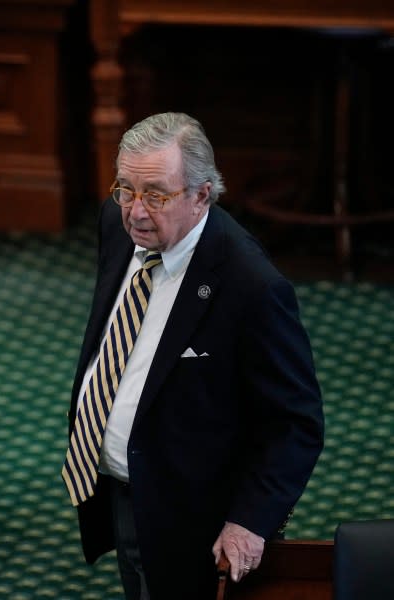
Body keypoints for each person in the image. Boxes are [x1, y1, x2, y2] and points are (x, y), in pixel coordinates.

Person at [62, 112, 324, 599]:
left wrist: (250, 520)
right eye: (126, 189)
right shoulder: (117, 224)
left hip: (192, 518)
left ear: (202, 195)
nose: (136, 211)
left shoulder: (252, 287)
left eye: (156, 195)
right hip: (119, 487)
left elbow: (296, 424)